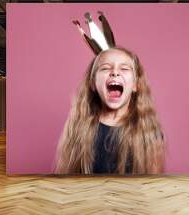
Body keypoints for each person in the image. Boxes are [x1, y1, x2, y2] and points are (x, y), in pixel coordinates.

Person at [55, 46, 165, 174]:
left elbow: (155, 187)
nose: (115, 72)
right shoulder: (79, 128)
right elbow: (64, 183)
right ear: (92, 83)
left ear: (136, 85)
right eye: (106, 68)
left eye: (124, 69)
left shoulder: (149, 134)